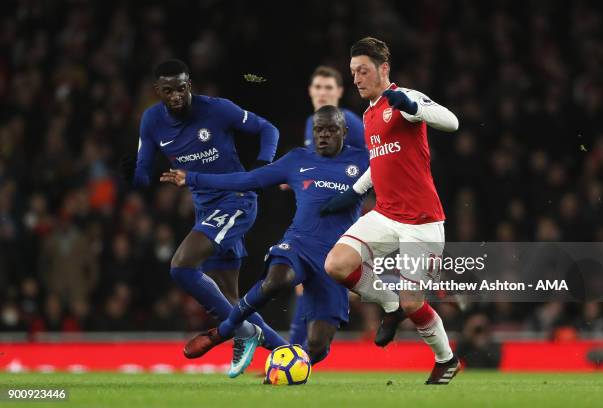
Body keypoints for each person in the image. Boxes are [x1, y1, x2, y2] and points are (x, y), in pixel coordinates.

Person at [160, 106, 369, 376]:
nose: (324, 135)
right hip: (299, 245)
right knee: (276, 279)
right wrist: (193, 178)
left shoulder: (364, 161)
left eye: (331, 130)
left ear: (345, 132)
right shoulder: (297, 159)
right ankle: (223, 332)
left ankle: (284, 372)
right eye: (319, 130)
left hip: (336, 258)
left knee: (317, 346)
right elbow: (247, 180)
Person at [126, 59, 286, 376]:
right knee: (229, 298)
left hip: (236, 200)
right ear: (158, 91)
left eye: (181, 88)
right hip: (205, 208)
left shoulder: (217, 109)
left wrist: (263, 167)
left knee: (181, 266)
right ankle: (286, 351)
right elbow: (143, 168)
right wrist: (135, 176)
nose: (176, 96)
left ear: (190, 85)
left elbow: (268, 128)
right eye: (168, 91)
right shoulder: (152, 120)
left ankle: (240, 333)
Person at [320, 37, 461, 384]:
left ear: (383, 69)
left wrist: (412, 107)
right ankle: (389, 303)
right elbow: (380, 160)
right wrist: (354, 193)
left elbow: (451, 121)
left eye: (363, 71)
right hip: (385, 214)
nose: (356, 79)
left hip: (422, 222)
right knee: (336, 265)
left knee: (415, 303)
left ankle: (447, 360)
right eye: (353, 72)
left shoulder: (406, 97)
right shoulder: (369, 114)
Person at [290, 65, 366, 346]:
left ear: (340, 92)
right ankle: (295, 352)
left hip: (348, 214)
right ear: (310, 91)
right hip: (320, 215)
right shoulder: (313, 123)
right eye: (318, 87)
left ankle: (295, 352)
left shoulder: (350, 122)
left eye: (328, 88)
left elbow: (374, 162)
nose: (322, 93)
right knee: (308, 285)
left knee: (336, 281)